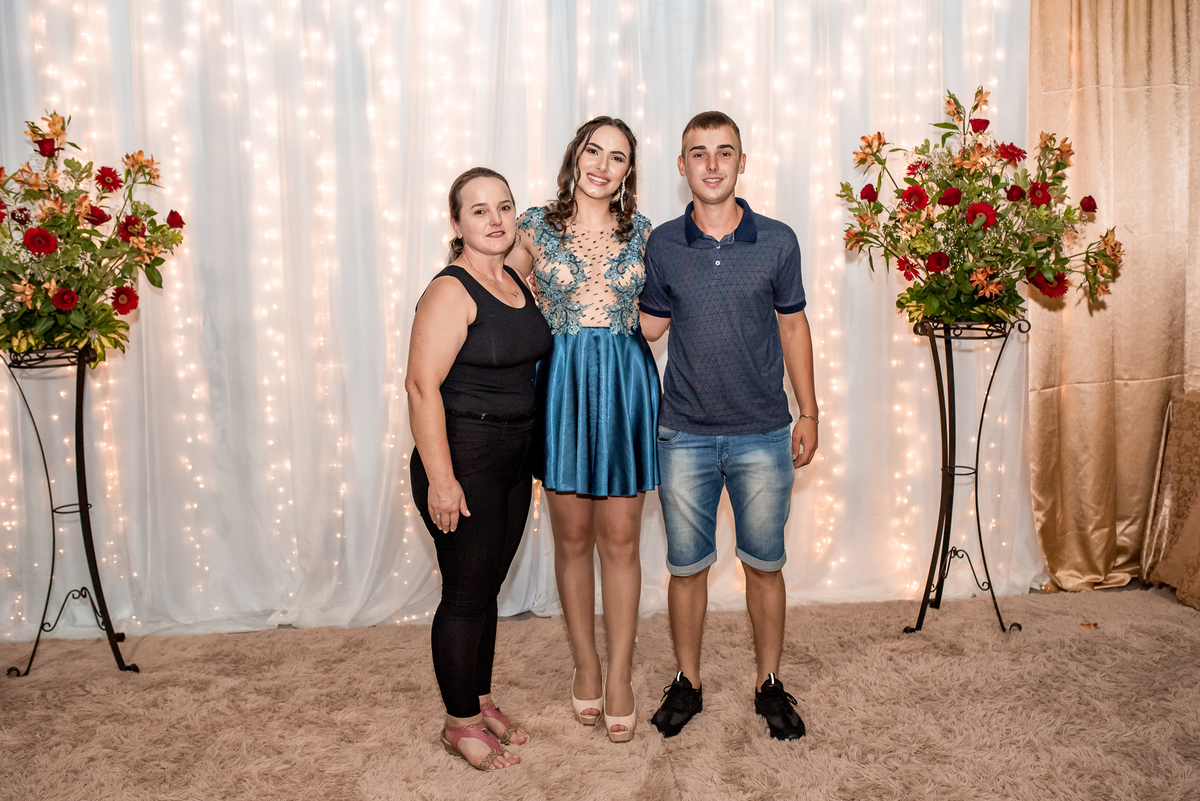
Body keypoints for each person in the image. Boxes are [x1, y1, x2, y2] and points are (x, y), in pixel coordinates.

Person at [638, 111, 819, 741]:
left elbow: (793, 326)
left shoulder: (778, 240)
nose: (712, 164)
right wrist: (573, 293)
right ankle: (687, 682)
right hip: (683, 433)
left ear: (742, 163)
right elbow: (649, 325)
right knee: (686, 567)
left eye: (724, 152)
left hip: (762, 432)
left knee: (764, 564)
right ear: (681, 166)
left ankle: (769, 683)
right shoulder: (663, 243)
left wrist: (809, 411)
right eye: (699, 153)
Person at [508, 117, 659, 743]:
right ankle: (586, 664)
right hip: (563, 388)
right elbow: (494, 289)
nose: (601, 164)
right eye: (593, 150)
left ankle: (620, 672)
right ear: (576, 155)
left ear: (628, 171)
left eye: (616, 157)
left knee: (620, 540)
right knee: (571, 539)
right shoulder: (533, 227)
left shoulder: (645, 232)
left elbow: (660, 316)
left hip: (624, 387)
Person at [406, 167, 553, 770]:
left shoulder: (513, 274)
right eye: (479, 210)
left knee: (487, 588)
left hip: (513, 460)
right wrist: (442, 480)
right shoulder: (451, 290)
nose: (495, 220)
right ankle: (459, 723)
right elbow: (421, 387)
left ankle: (479, 698)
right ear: (456, 222)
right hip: (464, 459)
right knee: (465, 594)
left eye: (505, 207)